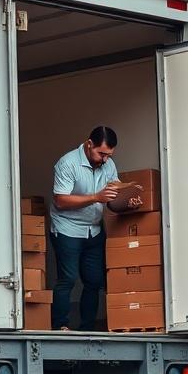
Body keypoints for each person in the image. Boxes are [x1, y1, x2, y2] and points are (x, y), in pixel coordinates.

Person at [50, 126, 119, 331]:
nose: (105, 159)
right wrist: (96, 197)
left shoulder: (109, 164)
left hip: (94, 230)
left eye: (109, 155)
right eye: (102, 153)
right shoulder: (67, 163)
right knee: (68, 279)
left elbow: (113, 197)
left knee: (94, 281)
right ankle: (61, 326)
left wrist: (127, 201)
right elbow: (60, 200)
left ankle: (87, 328)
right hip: (67, 230)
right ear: (89, 144)